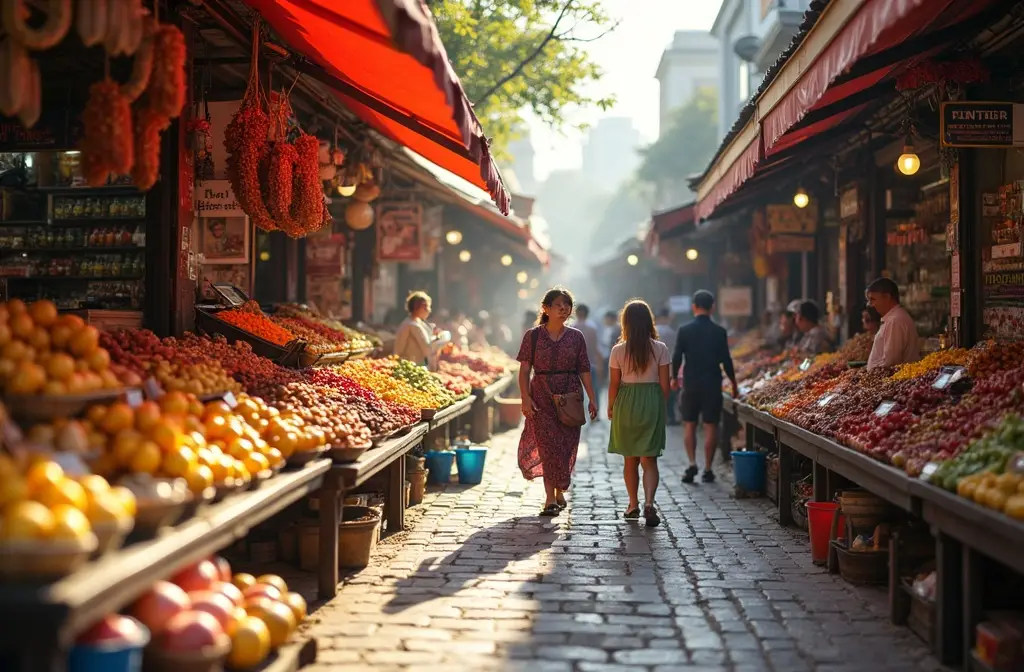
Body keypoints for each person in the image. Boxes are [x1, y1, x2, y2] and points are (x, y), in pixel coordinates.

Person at [517, 288, 599, 516]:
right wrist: (525, 397)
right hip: (541, 396)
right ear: (545, 308)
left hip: (570, 397)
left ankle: (559, 488)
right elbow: (524, 371)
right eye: (558, 305)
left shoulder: (576, 337)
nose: (564, 309)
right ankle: (549, 499)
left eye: (567, 305)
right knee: (547, 445)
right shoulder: (532, 336)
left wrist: (592, 398)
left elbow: (584, 369)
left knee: (565, 445)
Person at [607, 300, 671, 527]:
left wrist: (610, 406)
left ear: (625, 323)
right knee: (649, 459)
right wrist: (659, 407)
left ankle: (632, 504)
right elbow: (666, 385)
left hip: (626, 402)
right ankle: (649, 503)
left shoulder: (618, 350)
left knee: (630, 458)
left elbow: (613, 384)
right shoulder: (660, 348)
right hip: (651, 401)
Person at [671, 290, 738, 484]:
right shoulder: (719, 331)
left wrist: (674, 378)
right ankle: (708, 468)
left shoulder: (684, 330)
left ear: (694, 307)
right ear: (713, 307)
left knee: (689, 425)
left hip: (691, 384)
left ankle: (692, 464)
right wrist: (733, 383)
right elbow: (726, 360)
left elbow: (677, 356)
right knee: (711, 426)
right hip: (712, 384)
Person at [866, 277, 920, 369]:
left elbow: (891, 362)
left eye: (873, 299)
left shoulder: (895, 321)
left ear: (887, 297)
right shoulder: (893, 318)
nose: (870, 304)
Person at [393, 291, 436, 367]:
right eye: (426, 307)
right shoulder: (412, 325)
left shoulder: (416, 322)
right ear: (418, 307)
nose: (429, 310)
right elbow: (427, 350)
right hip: (411, 366)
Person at [574, 304, 603, 413]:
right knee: (594, 390)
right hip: (591, 364)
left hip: (574, 366)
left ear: (576, 313)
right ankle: (595, 411)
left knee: (575, 391)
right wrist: (599, 364)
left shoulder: (571, 328)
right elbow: (597, 348)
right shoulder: (592, 328)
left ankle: (576, 412)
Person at [656, 309, 679, 425]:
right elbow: (674, 351)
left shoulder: (652, 331)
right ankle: (670, 417)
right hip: (668, 366)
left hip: (655, 367)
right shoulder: (670, 332)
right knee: (669, 395)